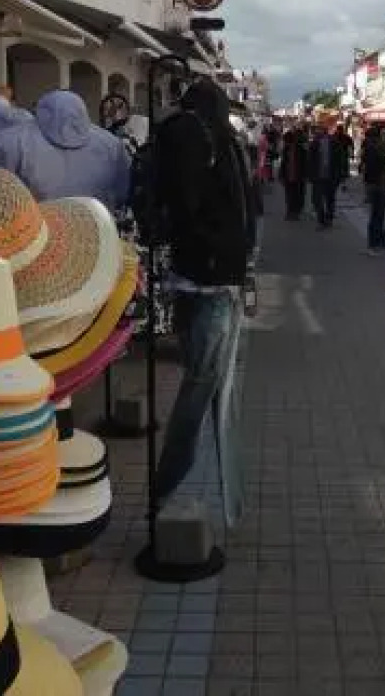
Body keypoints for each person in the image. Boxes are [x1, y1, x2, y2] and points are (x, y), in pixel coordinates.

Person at [153, 77, 256, 517]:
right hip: (213, 273)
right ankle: (168, 483)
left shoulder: (192, 135)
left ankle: (170, 483)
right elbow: (202, 205)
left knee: (203, 376)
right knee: (204, 381)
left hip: (194, 272)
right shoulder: (205, 137)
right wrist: (224, 251)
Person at [0, 88, 131, 211]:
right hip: (97, 230)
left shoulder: (10, 141)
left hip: (32, 236)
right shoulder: (111, 144)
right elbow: (123, 190)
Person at [360, 125, 385, 252]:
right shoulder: (381, 148)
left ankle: (375, 241)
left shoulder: (369, 148)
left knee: (376, 214)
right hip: (380, 184)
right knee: (378, 214)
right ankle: (376, 242)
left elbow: (365, 166)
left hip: (373, 184)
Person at [308, 119, 343, 229]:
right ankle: (323, 220)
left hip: (330, 176)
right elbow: (310, 160)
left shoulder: (334, 142)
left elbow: (340, 160)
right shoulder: (315, 143)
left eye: (321, 130)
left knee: (329, 199)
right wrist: (310, 174)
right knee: (318, 200)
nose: (319, 132)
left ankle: (328, 219)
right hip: (319, 176)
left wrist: (340, 175)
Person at [279, 125, 308, 220]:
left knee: (297, 195)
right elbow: (283, 163)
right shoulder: (286, 150)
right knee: (289, 195)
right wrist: (281, 175)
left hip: (299, 177)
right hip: (289, 176)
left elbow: (305, 163)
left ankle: (295, 212)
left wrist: (306, 176)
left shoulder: (302, 150)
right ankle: (290, 212)